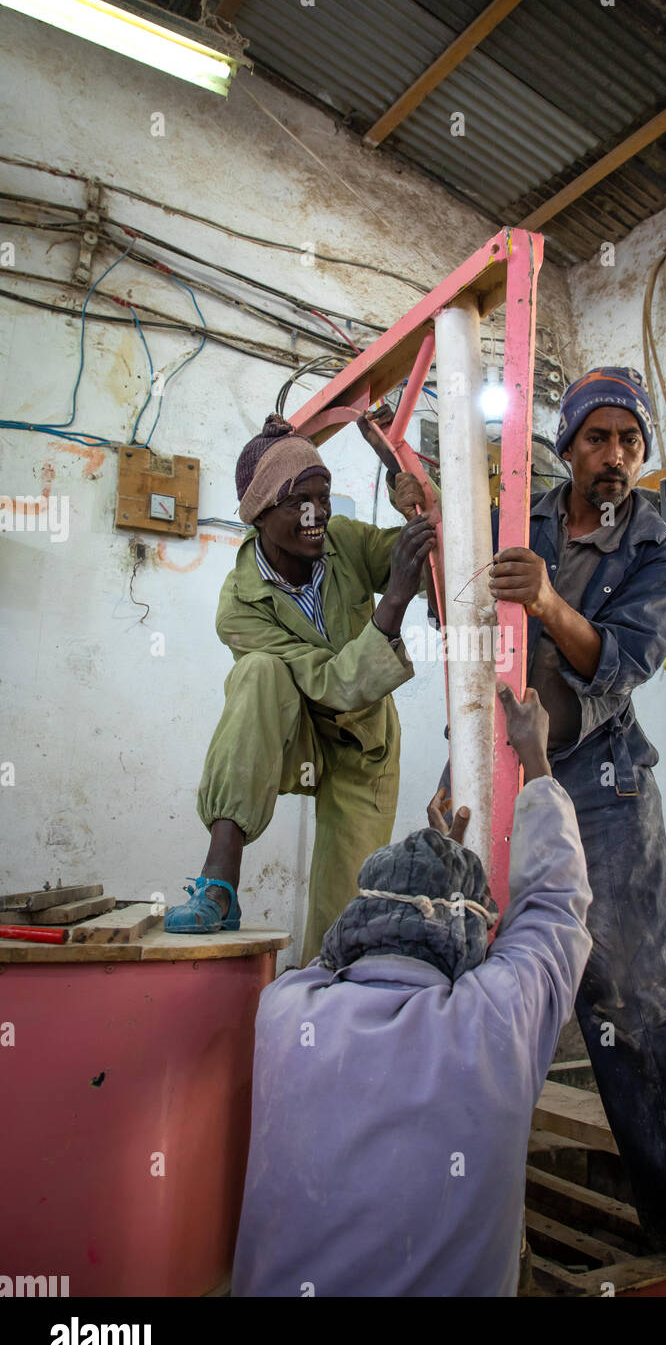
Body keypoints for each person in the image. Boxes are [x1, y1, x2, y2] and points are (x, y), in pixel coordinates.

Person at [454, 366, 666, 1238]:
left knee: (634, 990)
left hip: (600, 780)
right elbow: (467, 620)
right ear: (566, 445)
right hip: (501, 760)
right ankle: (459, 1196)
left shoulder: (656, 548)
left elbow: (622, 662)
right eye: (597, 438)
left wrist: (544, 598)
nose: (614, 456)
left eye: (630, 441)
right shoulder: (520, 517)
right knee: (468, 956)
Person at [231, 683, 592, 1298]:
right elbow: (556, 910)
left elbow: (340, 945)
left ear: (357, 919)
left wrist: (444, 877)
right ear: (476, 938)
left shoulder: (285, 1010)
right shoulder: (493, 1022)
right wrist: (536, 764)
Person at [164, 414, 436, 966]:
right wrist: (393, 604)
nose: (318, 514)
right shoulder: (239, 605)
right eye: (298, 502)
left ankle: (323, 1027)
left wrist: (411, 483)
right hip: (294, 736)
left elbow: (432, 556)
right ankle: (220, 880)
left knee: (345, 922)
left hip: (364, 747)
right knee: (258, 673)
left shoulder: (344, 541)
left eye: (324, 495)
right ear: (260, 513)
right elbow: (332, 683)